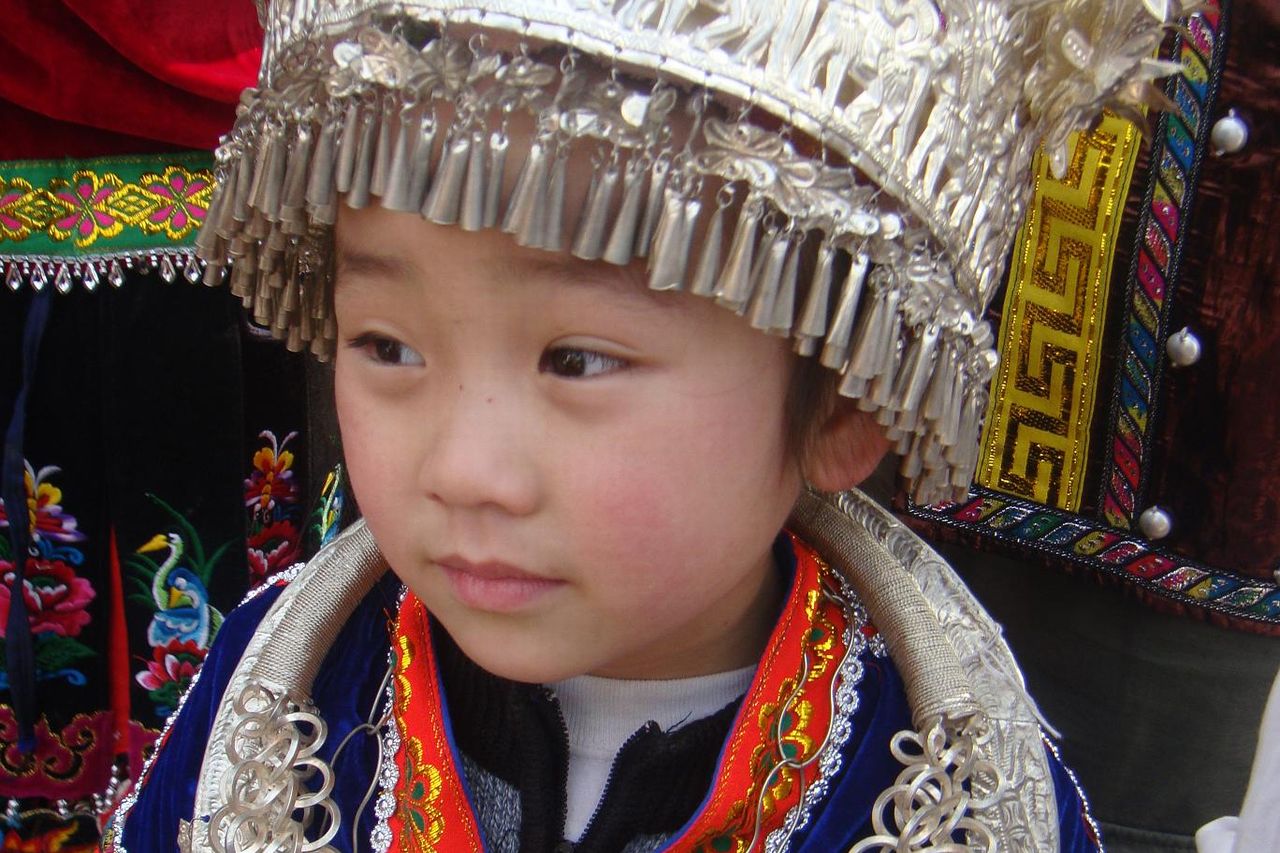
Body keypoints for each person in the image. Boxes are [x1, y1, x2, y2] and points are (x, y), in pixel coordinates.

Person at [100, 0, 1183, 849]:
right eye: (389, 346)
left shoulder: (940, 788)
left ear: (844, 404)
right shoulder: (274, 697)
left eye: (575, 360)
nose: (464, 470)